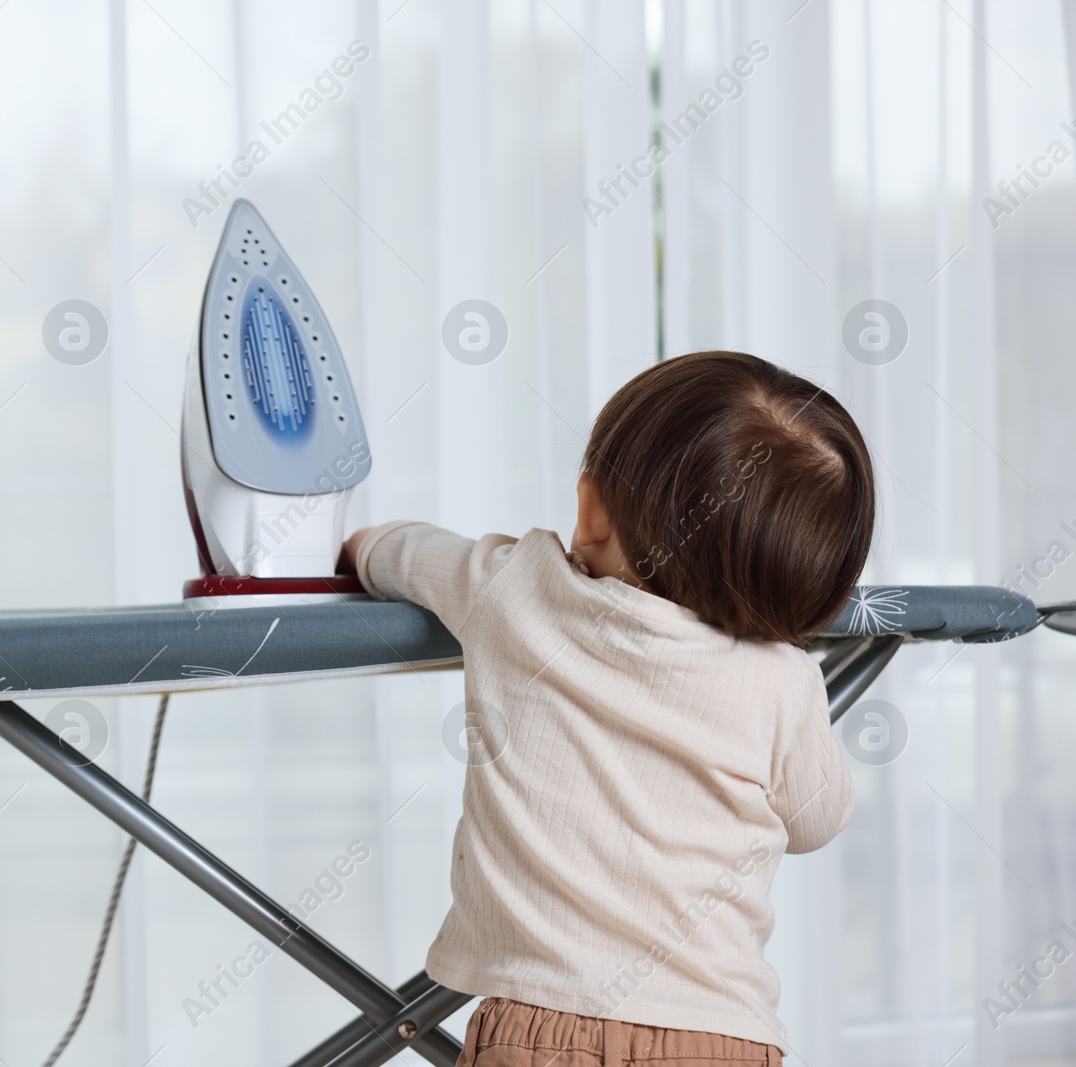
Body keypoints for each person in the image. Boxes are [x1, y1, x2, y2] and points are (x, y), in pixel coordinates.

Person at [341, 351, 873, 1065]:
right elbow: (816, 819)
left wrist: (358, 545)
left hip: (537, 1031)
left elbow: (406, 554)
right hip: (719, 1038)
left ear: (591, 509)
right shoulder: (784, 680)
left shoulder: (518, 590)